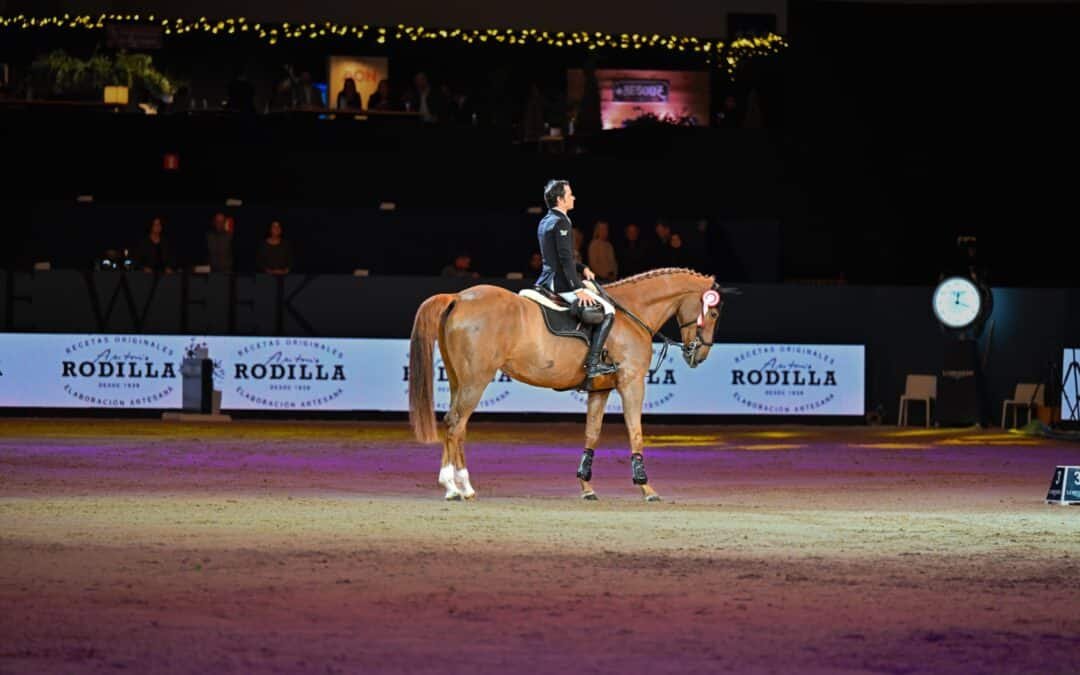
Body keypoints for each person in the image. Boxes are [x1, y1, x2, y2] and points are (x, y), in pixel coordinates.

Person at [535, 180, 616, 380]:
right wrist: (577, 289)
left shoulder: (545, 220)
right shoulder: (562, 221)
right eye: (570, 194)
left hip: (545, 279)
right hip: (559, 283)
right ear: (560, 199)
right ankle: (593, 363)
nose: (573, 197)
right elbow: (563, 259)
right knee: (609, 311)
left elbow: (557, 257)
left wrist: (582, 268)